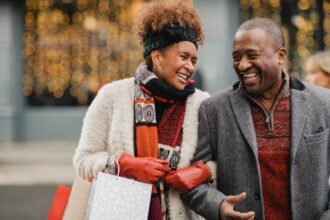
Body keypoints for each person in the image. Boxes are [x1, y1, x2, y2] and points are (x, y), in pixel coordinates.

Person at [73, 0, 213, 219]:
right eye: (183, 57)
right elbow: (83, 161)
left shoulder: (202, 103)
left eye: (194, 60)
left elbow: (218, 160)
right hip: (121, 211)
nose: (190, 67)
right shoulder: (113, 96)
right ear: (157, 57)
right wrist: (124, 165)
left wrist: (202, 172)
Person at [182, 18, 330, 220]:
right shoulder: (214, 109)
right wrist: (218, 206)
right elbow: (191, 180)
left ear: (280, 56)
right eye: (236, 57)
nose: (242, 65)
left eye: (252, 55)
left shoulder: (323, 103)